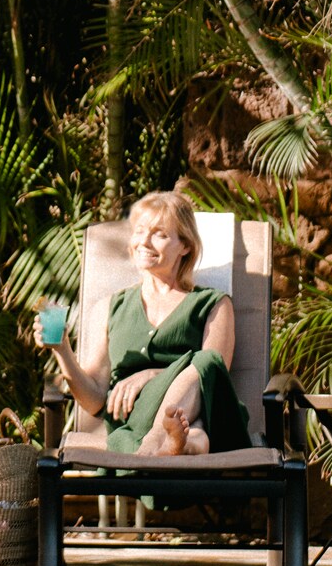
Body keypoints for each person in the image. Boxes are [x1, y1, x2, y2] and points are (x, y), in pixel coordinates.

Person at [35, 191, 250, 457]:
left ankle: (153, 446)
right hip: (133, 419)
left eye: (159, 234)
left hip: (204, 414)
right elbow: (94, 401)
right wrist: (62, 349)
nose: (143, 242)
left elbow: (214, 375)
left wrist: (151, 375)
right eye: (139, 231)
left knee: (205, 367)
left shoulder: (213, 304)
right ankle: (176, 447)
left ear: (185, 246)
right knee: (192, 432)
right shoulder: (111, 307)